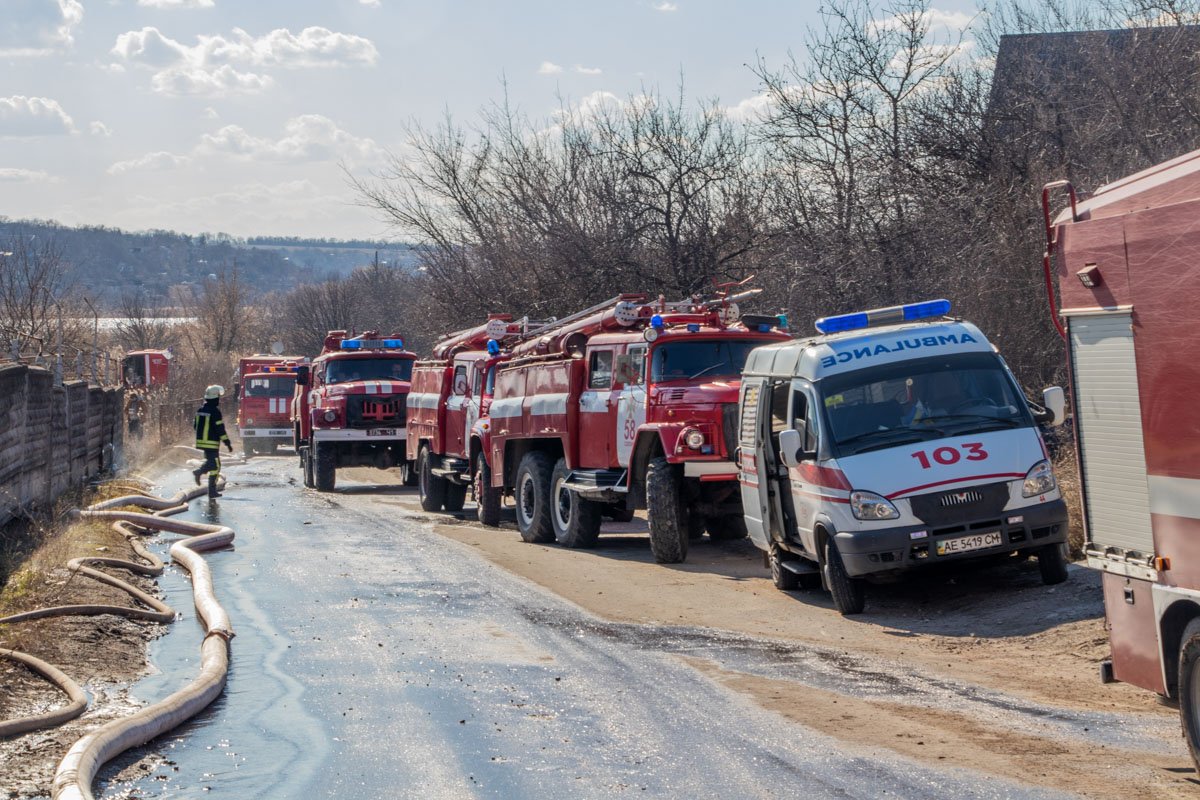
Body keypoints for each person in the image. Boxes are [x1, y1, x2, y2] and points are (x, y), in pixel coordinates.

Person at [192, 384, 233, 498]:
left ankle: (211, 490)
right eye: (218, 398)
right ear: (215, 398)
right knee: (215, 465)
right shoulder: (215, 411)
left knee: (214, 464)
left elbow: (195, 426)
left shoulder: (200, 410)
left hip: (202, 442)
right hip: (212, 443)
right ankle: (201, 474)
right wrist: (227, 443)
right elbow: (220, 429)